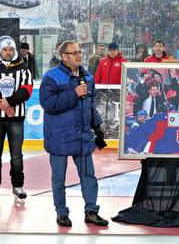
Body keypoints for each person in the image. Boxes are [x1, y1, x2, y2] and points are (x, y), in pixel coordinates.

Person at [39, 40, 108, 227]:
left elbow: (90, 106)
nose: (79, 55)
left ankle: (91, 211)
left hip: (82, 137)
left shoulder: (88, 78)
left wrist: (98, 127)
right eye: (74, 52)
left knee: (89, 177)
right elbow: (49, 105)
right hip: (59, 138)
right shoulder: (51, 77)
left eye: (80, 52)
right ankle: (61, 213)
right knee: (59, 179)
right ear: (64, 57)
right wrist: (74, 93)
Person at [0, 36, 33, 201]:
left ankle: (18, 186)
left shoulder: (23, 68)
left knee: (16, 155)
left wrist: (9, 102)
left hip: (16, 118)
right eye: (5, 49)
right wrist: (3, 104)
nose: (8, 52)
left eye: (11, 49)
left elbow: (27, 90)